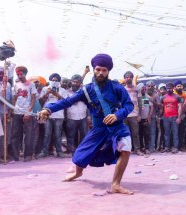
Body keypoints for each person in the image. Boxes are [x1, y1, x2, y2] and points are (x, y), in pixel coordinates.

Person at [38, 53, 134, 194]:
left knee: (125, 149)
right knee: (81, 154)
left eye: (104, 70)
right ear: (94, 70)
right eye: (98, 69)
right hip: (98, 128)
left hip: (117, 127)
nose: (101, 73)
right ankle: (78, 173)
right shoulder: (87, 89)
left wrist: (117, 115)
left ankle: (115, 184)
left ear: (108, 71)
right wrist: (48, 109)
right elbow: (67, 101)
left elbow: (129, 106)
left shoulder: (117, 87)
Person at [37, 73, 68, 158]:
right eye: (52, 80)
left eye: (56, 80)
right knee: (47, 134)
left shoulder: (63, 90)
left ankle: (59, 152)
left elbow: (66, 102)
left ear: (59, 81)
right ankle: (44, 151)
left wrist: (57, 95)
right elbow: (40, 101)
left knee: (58, 134)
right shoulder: (45, 88)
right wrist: (46, 93)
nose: (54, 82)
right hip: (46, 114)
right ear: (50, 80)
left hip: (59, 115)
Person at [10, 66, 36, 161]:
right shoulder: (16, 85)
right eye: (18, 74)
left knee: (28, 134)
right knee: (15, 135)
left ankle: (28, 155)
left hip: (27, 113)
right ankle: (15, 156)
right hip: (17, 112)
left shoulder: (31, 85)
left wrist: (28, 112)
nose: (20, 76)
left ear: (25, 74)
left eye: (21, 74)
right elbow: (14, 98)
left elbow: (33, 99)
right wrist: (11, 111)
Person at [65, 74, 88, 154]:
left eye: (77, 82)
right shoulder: (67, 92)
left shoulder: (85, 91)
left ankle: (82, 151)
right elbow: (68, 102)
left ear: (80, 83)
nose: (75, 83)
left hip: (83, 116)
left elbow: (88, 103)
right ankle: (71, 151)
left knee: (84, 134)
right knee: (71, 135)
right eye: (73, 81)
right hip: (71, 116)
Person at [123, 71, 143, 156]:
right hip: (124, 114)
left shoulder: (137, 89)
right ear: (124, 79)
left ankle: (137, 150)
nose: (128, 78)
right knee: (125, 134)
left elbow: (140, 102)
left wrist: (139, 114)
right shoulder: (122, 89)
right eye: (126, 77)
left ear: (132, 78)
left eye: (130, 77)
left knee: (135, 133)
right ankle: (127, 151)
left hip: (134, 114)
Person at [161, 82, 182, 153]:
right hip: (166, 117)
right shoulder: (163, 97)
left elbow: (180, 107)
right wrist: (159, 116)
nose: (168, 89)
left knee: (175, 133)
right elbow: (162, 108)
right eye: (167, 88)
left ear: (173, 88)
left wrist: (179, 117)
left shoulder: (177, 97)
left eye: (170, 88)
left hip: (174, 117)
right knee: (166, 133)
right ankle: (167, 147)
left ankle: (175, 147)